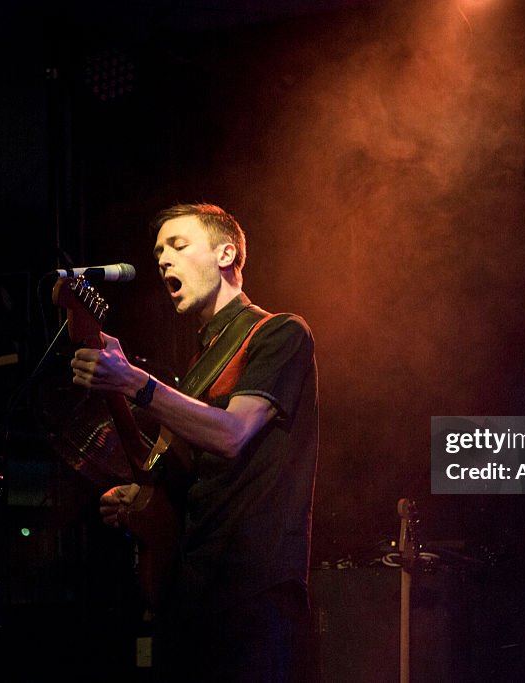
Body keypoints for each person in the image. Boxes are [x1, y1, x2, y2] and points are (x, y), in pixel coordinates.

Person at [68, 203, 319, 682]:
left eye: (178, 246)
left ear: (227, 254)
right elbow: (192, 473)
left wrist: (136, 383)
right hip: (192, 591)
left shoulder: (280, 332)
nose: (164, 259)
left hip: (251, 593)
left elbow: (232, 434)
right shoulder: (198, 367)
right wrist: (145, 499)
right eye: (159, 251)